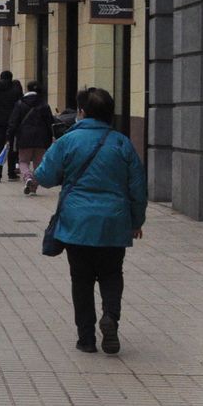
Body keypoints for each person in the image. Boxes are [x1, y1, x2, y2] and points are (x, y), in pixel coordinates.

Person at [33, 88, 147, 354]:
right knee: (111, 274)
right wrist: (136, 221)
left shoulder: (68, 141)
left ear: (82, 113)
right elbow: (138, 188)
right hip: (114, 222)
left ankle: (86, 338)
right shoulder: (122, 143)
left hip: (77, 222)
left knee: (81, 279)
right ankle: (111, 318)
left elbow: (45, 176)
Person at [6, 81, 55, 194]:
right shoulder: (44, 104)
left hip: (24, 138)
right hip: (41, 139)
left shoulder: (19, 104)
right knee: (39, 164)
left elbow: (13, 123)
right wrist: (51, 137)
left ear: (27, 89)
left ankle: (28, 177)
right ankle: (33, 186)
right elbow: (50, 123)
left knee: (23, 161)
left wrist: (9, 137)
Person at [0, 70, 24, 183]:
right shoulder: (15, 91)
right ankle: (11, 173)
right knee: (10, 147)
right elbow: (19, 107)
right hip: (11, 124)